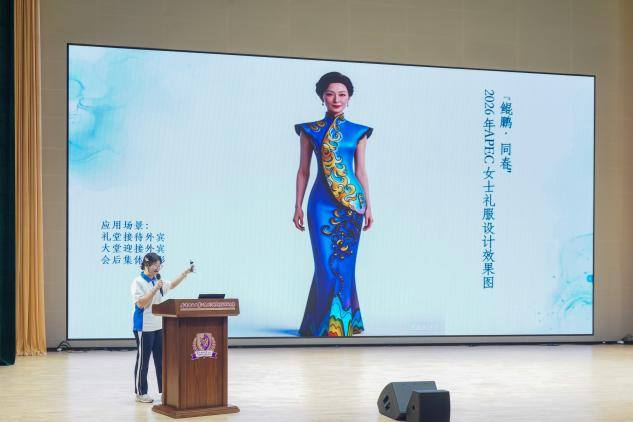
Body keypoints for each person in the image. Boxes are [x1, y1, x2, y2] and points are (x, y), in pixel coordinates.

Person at [293, 71, 374, 337]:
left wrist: (369, 206)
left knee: (344, 267)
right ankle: (324, 324)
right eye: (330, 94)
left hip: (352, 205)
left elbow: (360, 172)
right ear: (322, 97)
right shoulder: (310, 130)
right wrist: (297, 206)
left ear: (349, 98)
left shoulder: (359, 132)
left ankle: (340, 323)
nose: (336, 99)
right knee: (325, 266)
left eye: (342, 94)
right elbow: (303, 171)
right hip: (320, 205)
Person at [131, 253, 194, 403]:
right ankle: (141, 392)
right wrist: (154, 290)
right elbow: (141, 304)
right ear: (147, 264)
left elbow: (172, 284)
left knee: (161, 360)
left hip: (158, 325)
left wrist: (185, 273)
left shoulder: (157, 280)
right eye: (155, 265)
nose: (157, 268)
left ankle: (164, 391)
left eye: (159, 266)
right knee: (143, 361)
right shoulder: (138, 282)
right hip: (144, 327)